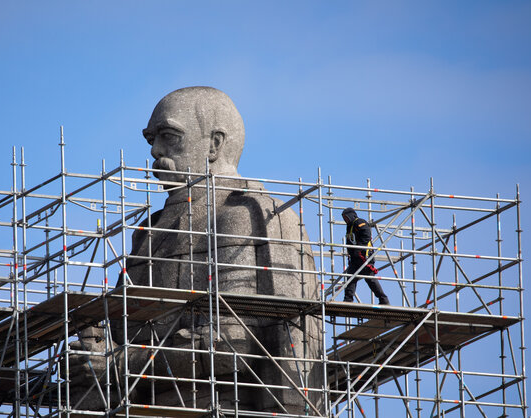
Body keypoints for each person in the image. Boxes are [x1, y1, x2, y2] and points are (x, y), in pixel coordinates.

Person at [69, 87, 323, 414]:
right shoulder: (150, 230)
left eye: (170, 136)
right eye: (151, 139)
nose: (156, 150)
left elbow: (234, 343)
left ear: (215, 144)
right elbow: (120, 335)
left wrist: (118, 363)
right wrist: (95, 348)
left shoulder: (248, 214)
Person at [341, 207, 390, 305]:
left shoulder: (359, 222)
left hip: (364, 256)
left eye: (346, 217)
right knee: (350, 277)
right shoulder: (350, 226)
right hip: (355, 258)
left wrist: (359, 249)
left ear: (351, 216)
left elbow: (366, 235)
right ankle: (348, 300)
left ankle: (383, 299)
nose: (345, 220)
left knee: (369, 278)